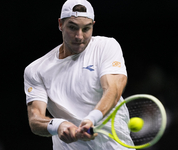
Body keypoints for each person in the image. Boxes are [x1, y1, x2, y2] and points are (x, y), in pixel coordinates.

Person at [24, 0, 133, 149]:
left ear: (93, 25)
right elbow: (35, 119)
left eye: (86, 29)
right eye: (73, 28)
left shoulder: (106, 47)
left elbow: (113, 91)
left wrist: (91, 119)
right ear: (60, 24)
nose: (79, 36)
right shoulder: (36, 70)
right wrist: (58, 125)